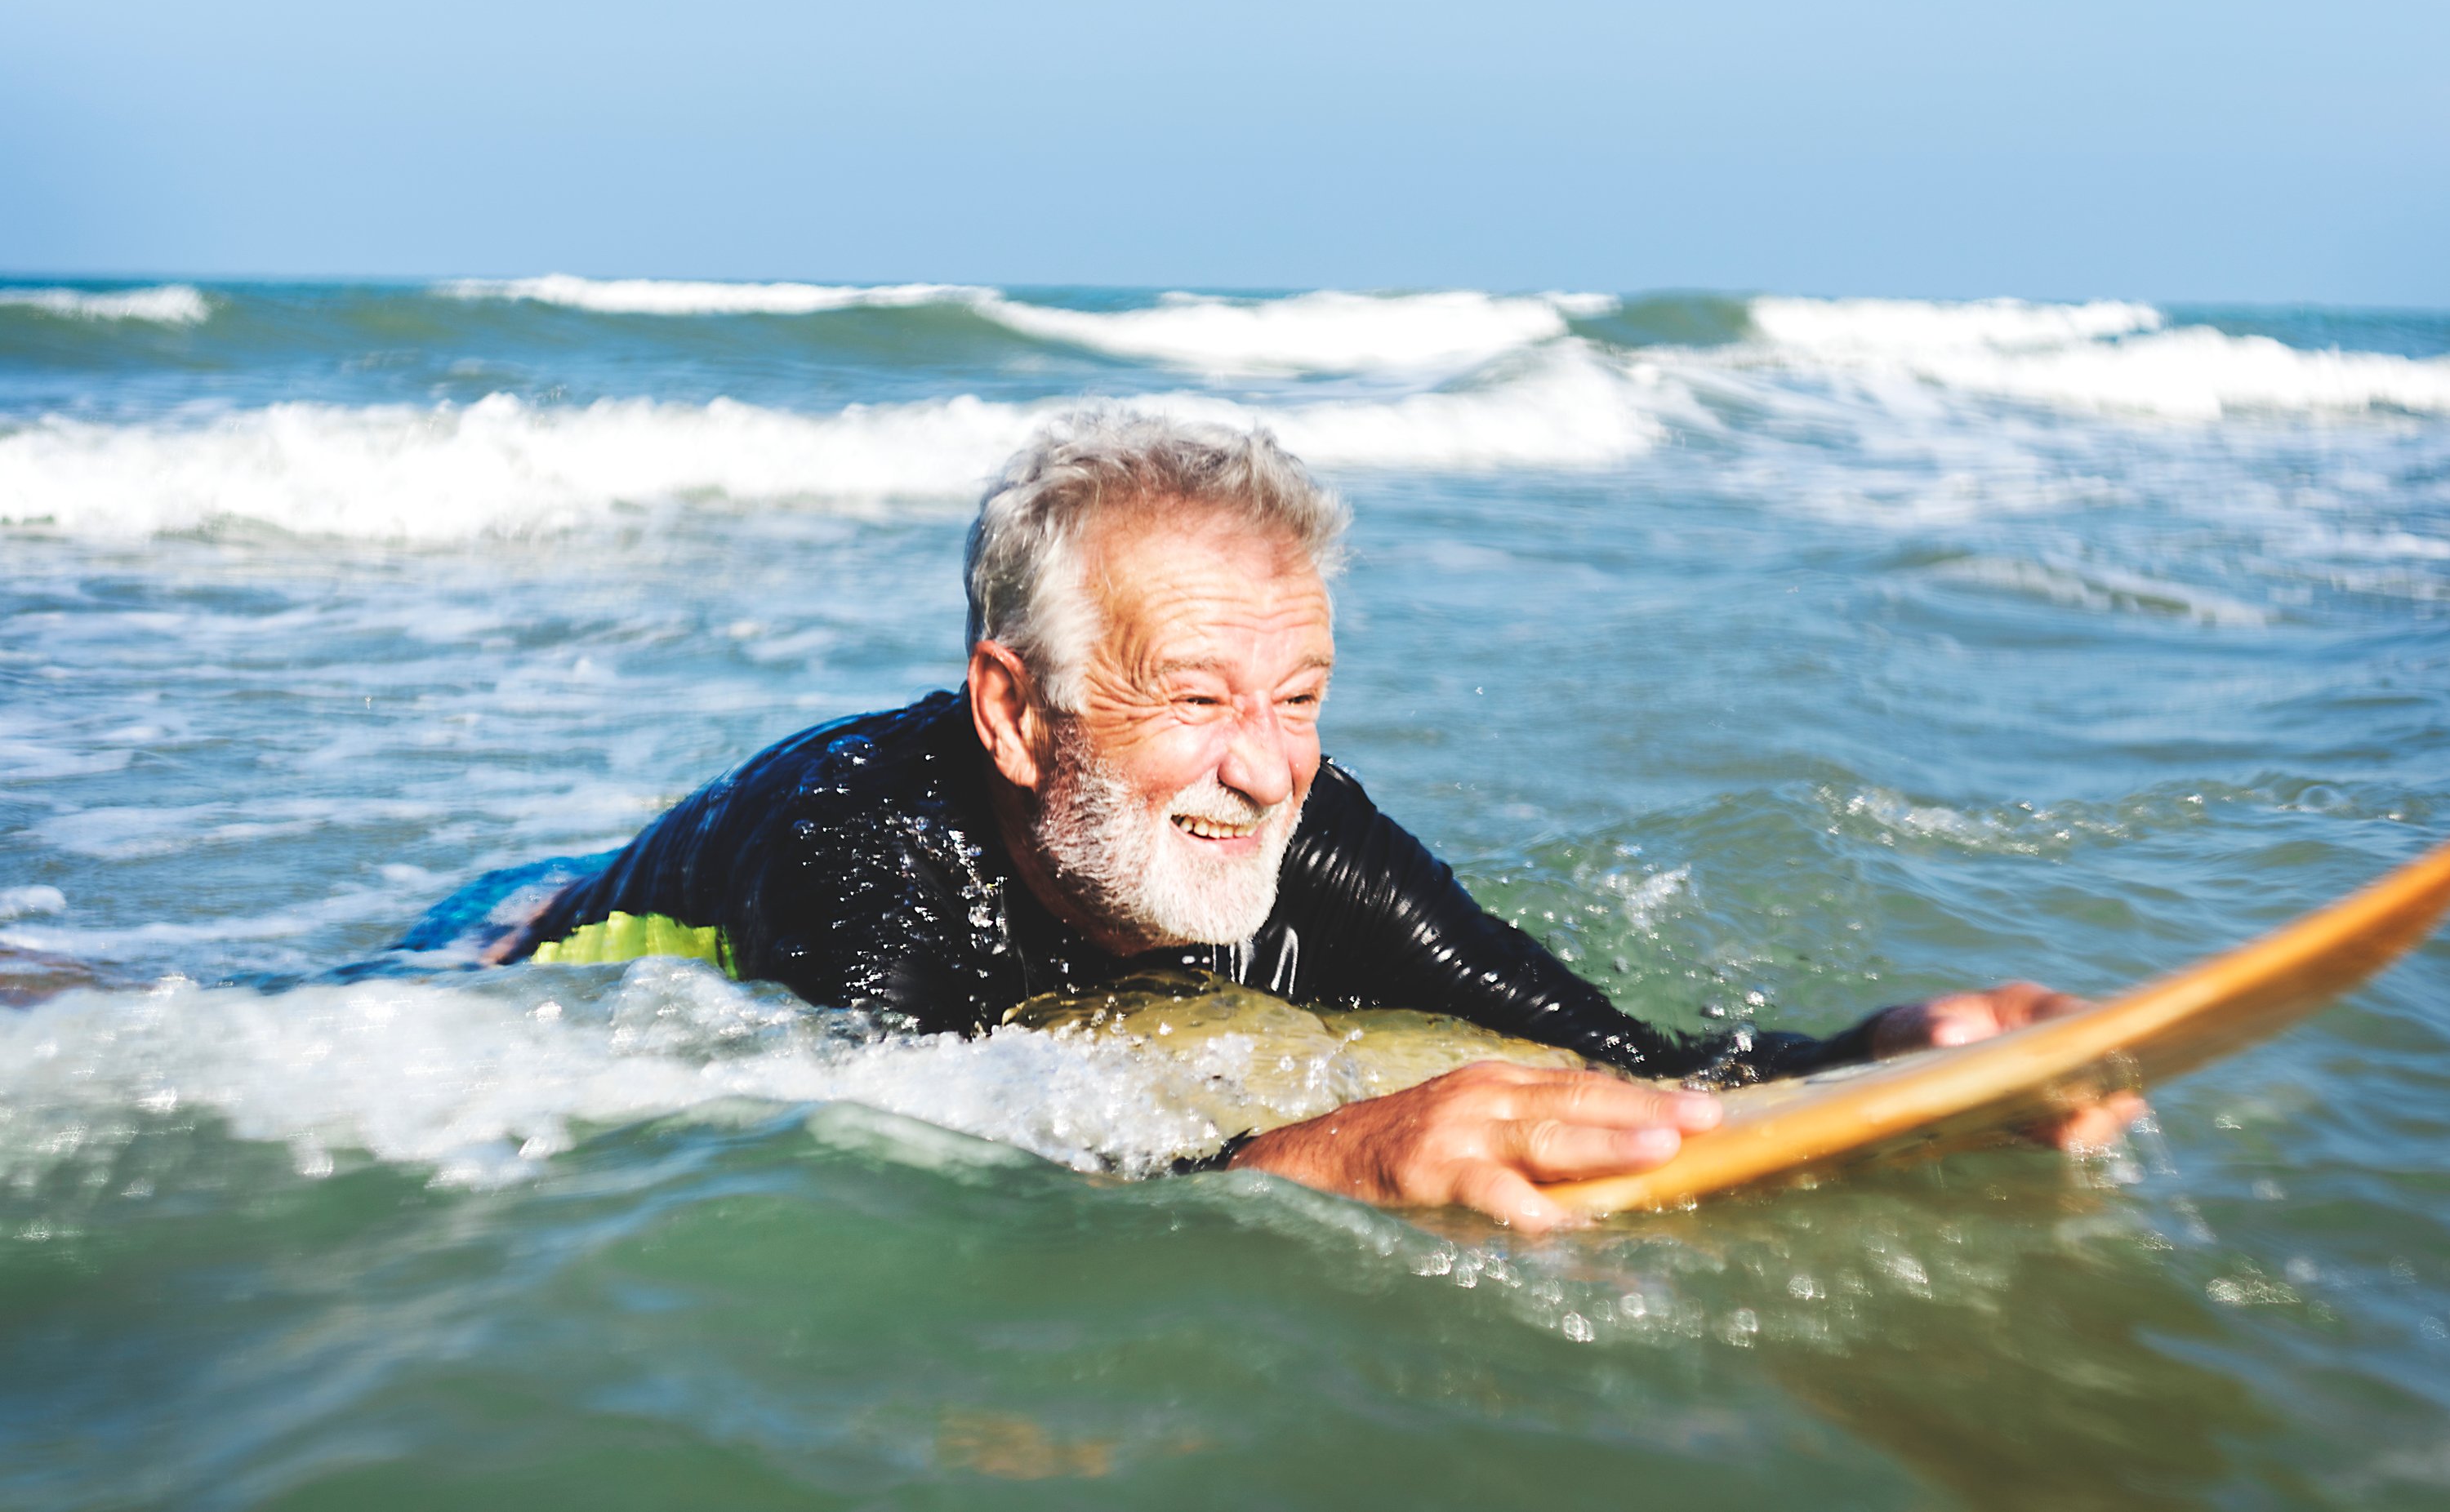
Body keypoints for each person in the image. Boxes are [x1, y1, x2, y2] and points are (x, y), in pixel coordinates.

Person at [498, 415, 2137, 1230]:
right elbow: (944, 1184)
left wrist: (1886, 1056)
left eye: (1301, 696)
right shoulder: (863, 850)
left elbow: (1616, 1045)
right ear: (1015, 710)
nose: (1269, 767)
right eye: (1199, 698)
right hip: (543, 942)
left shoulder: (1301, 826)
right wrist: (1319, 1157)